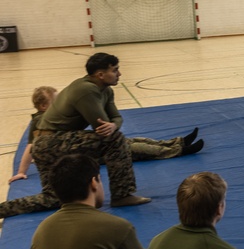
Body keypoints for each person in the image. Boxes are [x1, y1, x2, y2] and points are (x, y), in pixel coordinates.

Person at [0, 53, 149, 220]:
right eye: (115, 70)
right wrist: (112, 125)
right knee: (115, 140)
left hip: (46, 145)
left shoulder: (105, 90)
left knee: (53, 198)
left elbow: (116, 119)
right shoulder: (86, 89)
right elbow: (101, 127)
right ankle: (122, 194)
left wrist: (114, 124)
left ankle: (2, 210)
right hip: (51, 143)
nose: (119, 74)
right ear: (100, 75)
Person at [9, 86, 203, 183]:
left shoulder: (53, 118)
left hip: (85, 148)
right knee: (132, 148)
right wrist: (22, 172)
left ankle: (174, 142)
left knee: (132, 141)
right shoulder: (40, 121)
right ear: (43, 106)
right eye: (55, 101)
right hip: (85, 154)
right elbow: (31, 147)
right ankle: (177, 150)